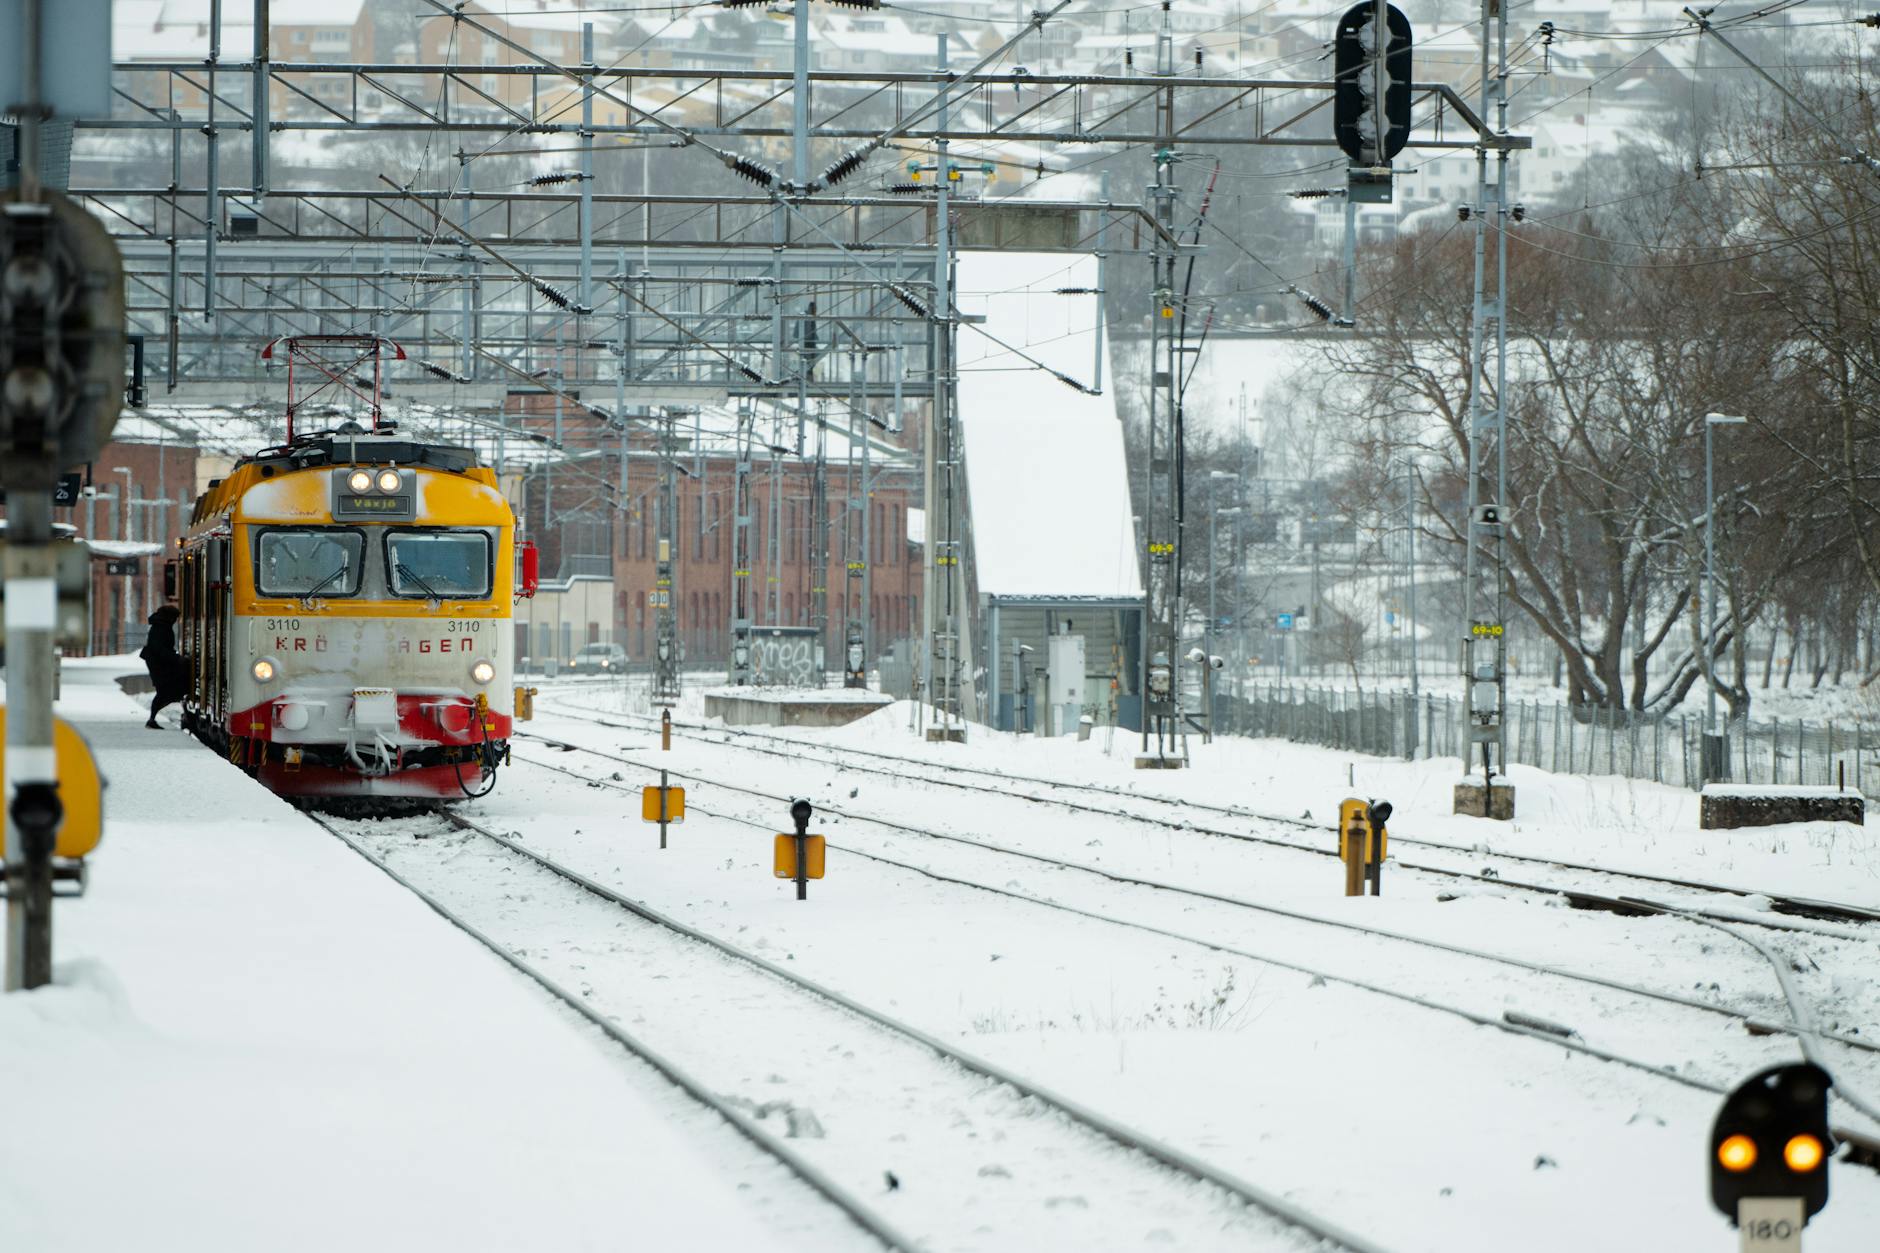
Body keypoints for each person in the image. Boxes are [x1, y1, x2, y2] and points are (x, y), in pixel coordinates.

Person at [140, 604, 187, 729]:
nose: (175, 621)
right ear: (169, 617)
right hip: (158, 664)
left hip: (158, 662)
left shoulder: (161, 626)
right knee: (164, 690)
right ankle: (151, 719)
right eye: (175, 618)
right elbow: (159, 649)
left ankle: (152, 718)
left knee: (164, 691)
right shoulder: (161, 628)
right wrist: (176, 658)